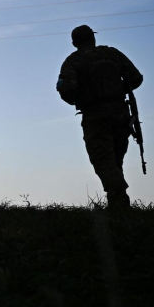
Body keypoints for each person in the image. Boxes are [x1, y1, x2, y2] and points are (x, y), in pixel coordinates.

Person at [56, 24, 143, 211]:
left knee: (103, 159)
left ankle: (119, 197)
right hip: (120, 114)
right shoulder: (112, 54)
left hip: (95, 116)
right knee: (115, 159)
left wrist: (84, 97)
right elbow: (136, 78)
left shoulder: (74, 61)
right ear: (92, 38)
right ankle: (118, 205)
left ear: (74, 43)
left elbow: (67, 90)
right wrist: (117, 91)